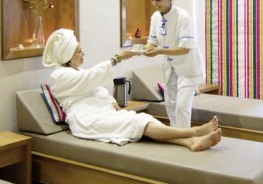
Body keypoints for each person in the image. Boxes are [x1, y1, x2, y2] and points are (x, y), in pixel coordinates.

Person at [43, 28, 221, 151]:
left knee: (143, 119)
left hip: (101, 112)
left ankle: (190, 142)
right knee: (137, 123)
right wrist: (116, 59)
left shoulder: (75, 72)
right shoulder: (59, 76)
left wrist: (111, 101)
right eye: (79, 51)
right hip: (86, 119)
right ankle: (193, 131)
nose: (83, 54)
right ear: (67, 56)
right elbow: (90, 79)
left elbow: (96, 88)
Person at [144, 0, 205, 128]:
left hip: (188, 68)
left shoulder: (183, 17)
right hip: (171, 67)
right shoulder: (155, 17)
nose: (154, 3)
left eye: (158, 0)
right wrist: (141, 50)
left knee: (182, 105)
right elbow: (152, 42)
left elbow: (185, 48)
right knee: (171, 104)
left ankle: (185, 136)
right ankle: (176, 135)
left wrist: (159, 51)